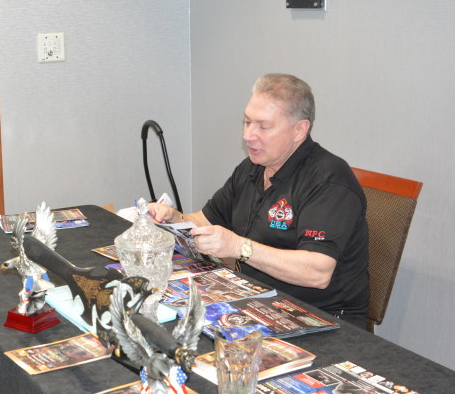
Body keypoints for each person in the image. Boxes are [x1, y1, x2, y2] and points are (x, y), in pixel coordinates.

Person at [149, 74, 369, 328]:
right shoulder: (252, 168)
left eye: (263, 127)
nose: (248, 135)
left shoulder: (328, 180)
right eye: (247, 122)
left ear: (299, 130)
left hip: (320, 319)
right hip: (255, 300)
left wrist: (239, 247)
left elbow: (318, 272)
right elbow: (205, 220)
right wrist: (174, 218)